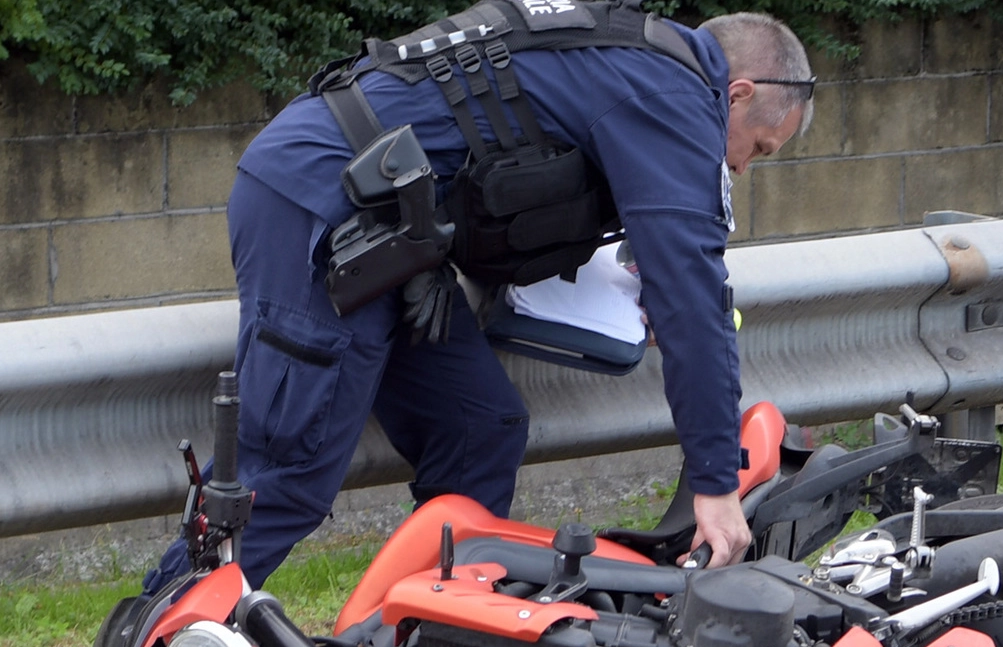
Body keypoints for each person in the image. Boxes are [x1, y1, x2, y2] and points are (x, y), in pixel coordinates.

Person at [139, 1, 815, 595]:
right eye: (756, 146)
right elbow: (695, 297)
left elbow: (508, 169)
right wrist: (716, 484)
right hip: (319, 203)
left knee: (478, 430)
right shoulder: (669, 93)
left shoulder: (626, 57)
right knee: (291, 474)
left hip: (392, 233)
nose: (740, 169)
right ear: (739, 92)